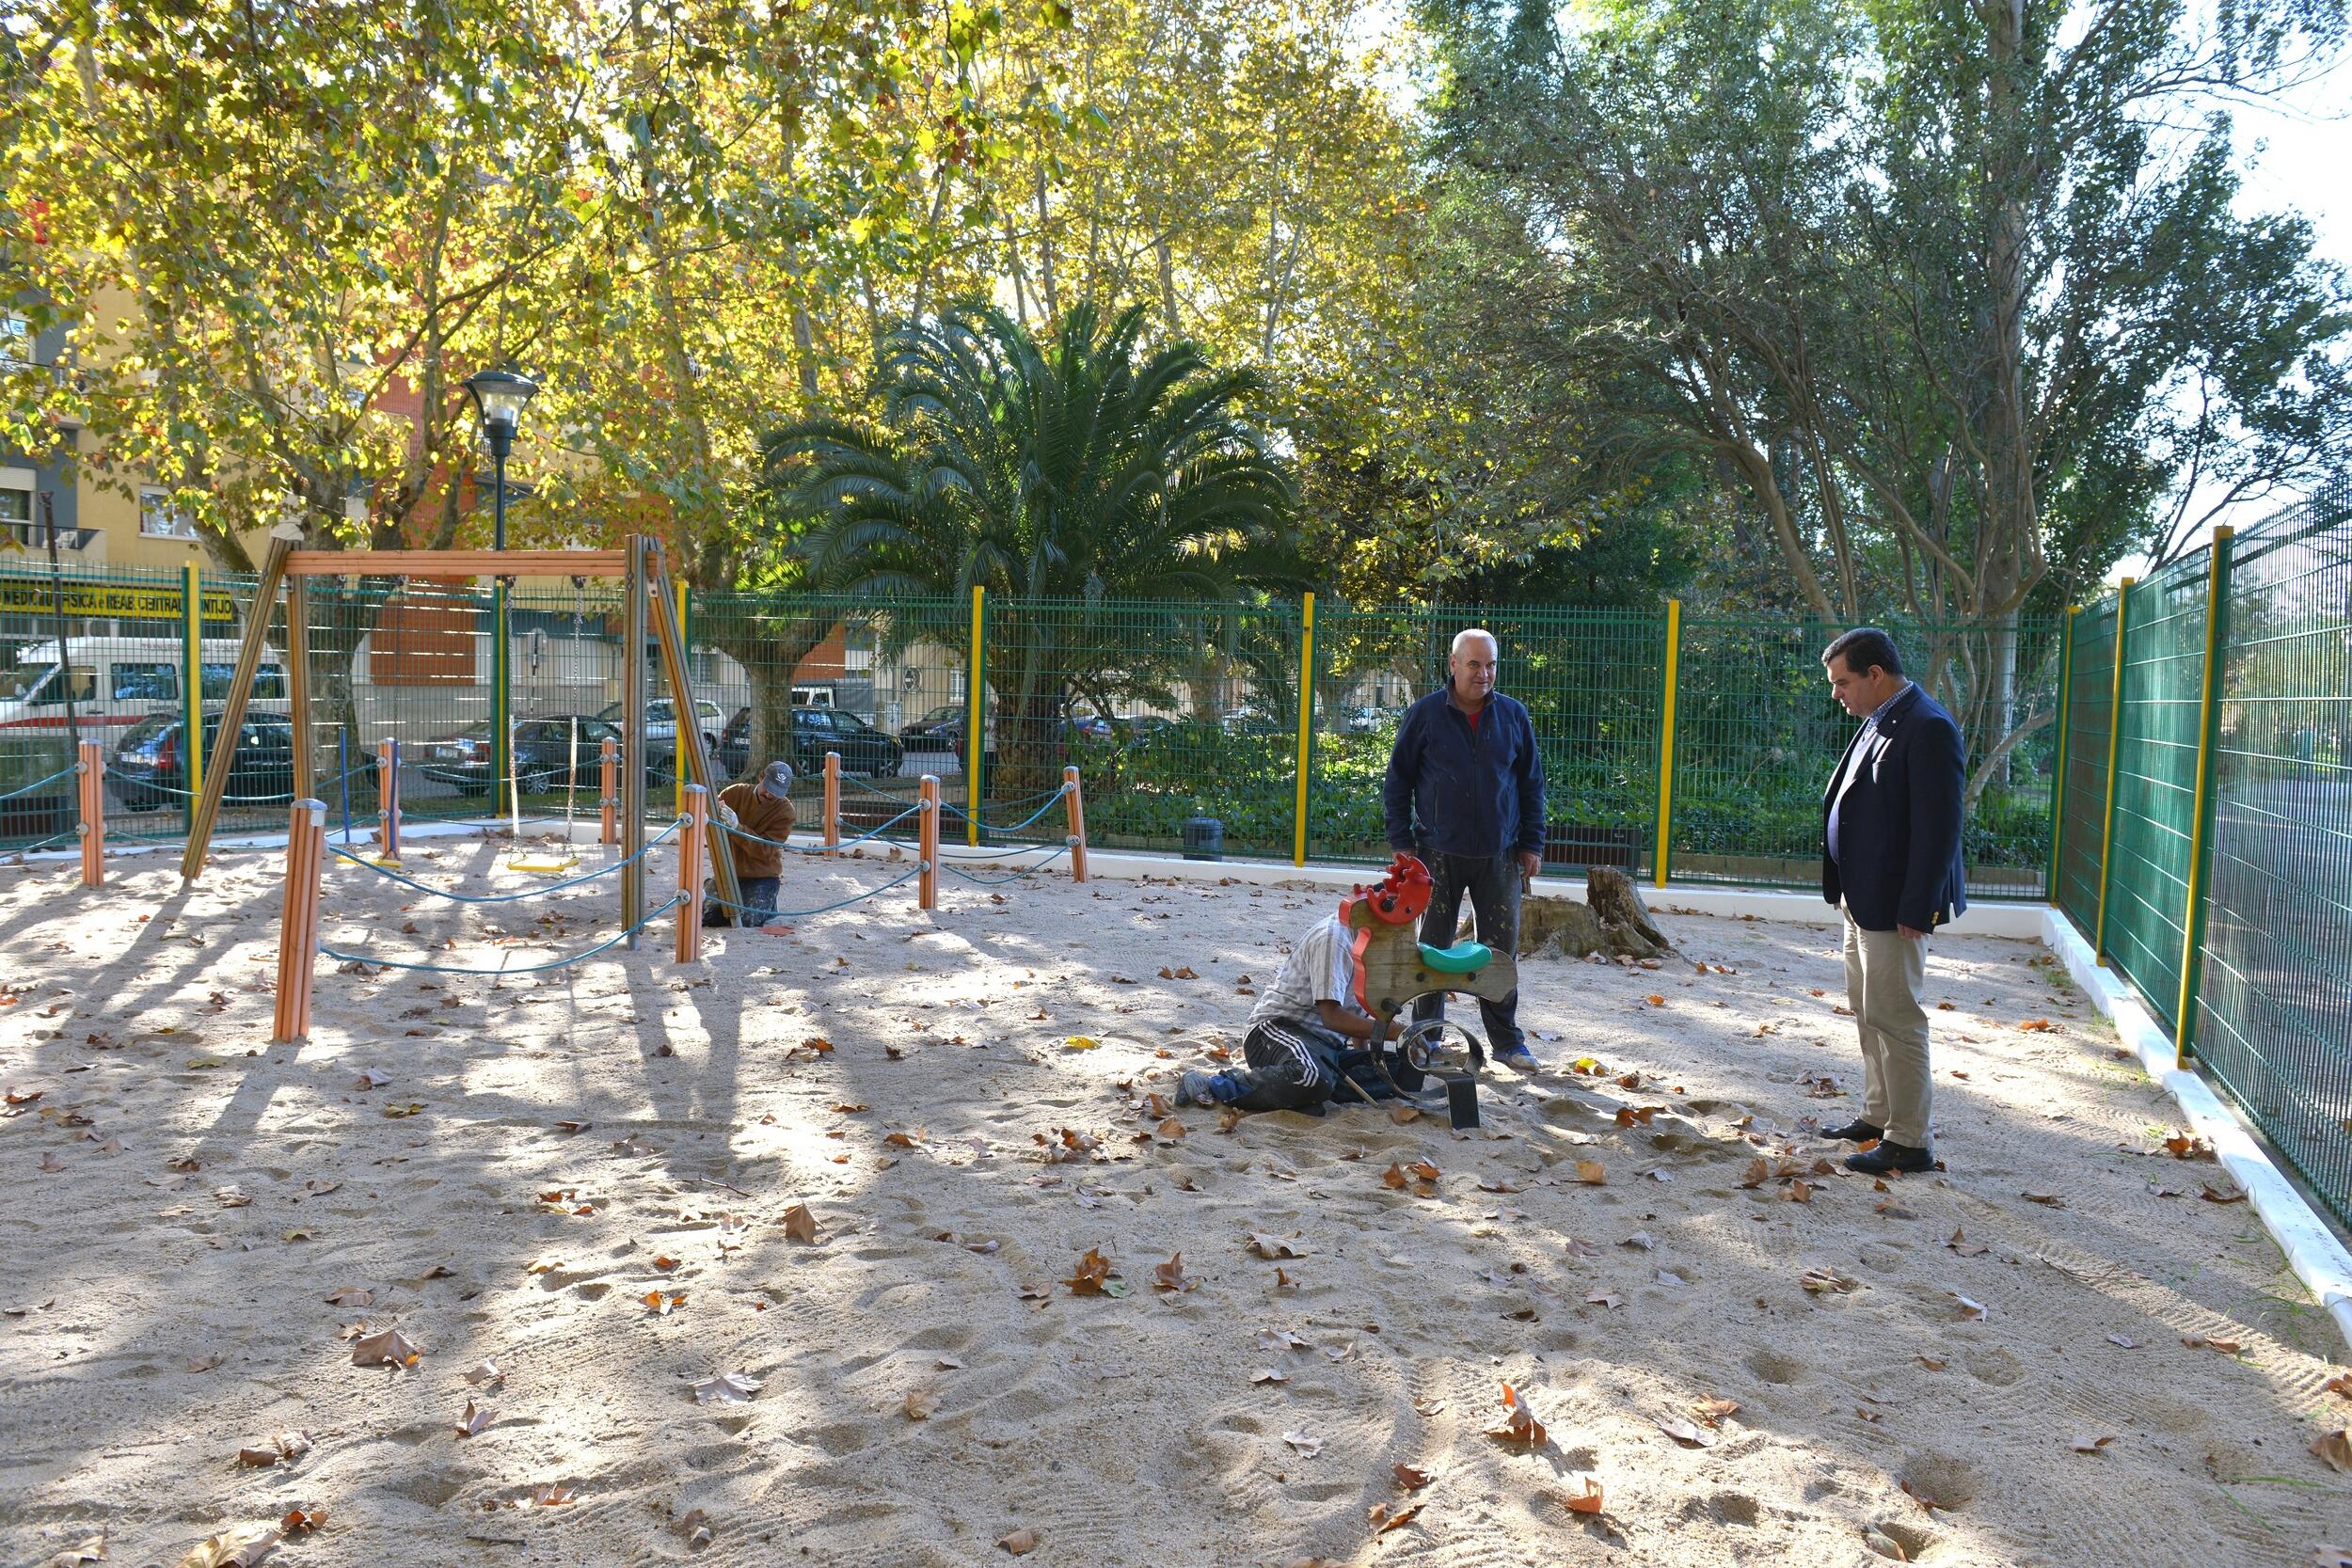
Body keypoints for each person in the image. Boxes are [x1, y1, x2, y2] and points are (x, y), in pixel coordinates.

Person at [1819, 627, 1967, 1176]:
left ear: (1875, 675)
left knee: (1897, 1017)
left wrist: (1919, 906)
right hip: (1862, 898)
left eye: (1843, 682)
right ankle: (1879, 1116)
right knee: (1867, 1010)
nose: (1837, 694)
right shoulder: (1880, 720)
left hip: (1894, 907)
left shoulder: (1927, 726)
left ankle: (1910, 1141)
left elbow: (1940, 827)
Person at [1381, 627, 1546, 1069]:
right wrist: (1401, 842)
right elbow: (1397, 781)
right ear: (1453, 665)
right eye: (1474, 664)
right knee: (1432, 949)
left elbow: (1531, 783)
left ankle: (1508, 1043)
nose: (1484, 673)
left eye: (1490, 664)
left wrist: (1532, 842)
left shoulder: (1513, 716)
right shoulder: (1425, 715)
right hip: (1435, 855)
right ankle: (1426, 1038)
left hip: (1501, 855)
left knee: (1499, 954)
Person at [1175, 908, 1401, 1114]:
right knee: (1311, 1076)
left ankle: (1303, 1094)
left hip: (1324, 1048)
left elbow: (1355, 1011)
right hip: (1276, 1033)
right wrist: (1399, 1033)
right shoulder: (1334, 940)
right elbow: (1332, 1018)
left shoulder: (1369, 943)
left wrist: (1370, 1055)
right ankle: (1215, 1085)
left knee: (1405, 1069)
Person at [706, 759, 797, 927]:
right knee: (705, 917)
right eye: (768, 788)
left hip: (762, 876)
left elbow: (765, 850)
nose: (770, 795)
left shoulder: (786, 812)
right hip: (729, 872)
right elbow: (708, 811)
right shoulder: (734, 793)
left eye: (776, 793)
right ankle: (711, 885)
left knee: (747, 920)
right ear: (761, 777)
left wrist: (736, 827)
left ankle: (769, 905)